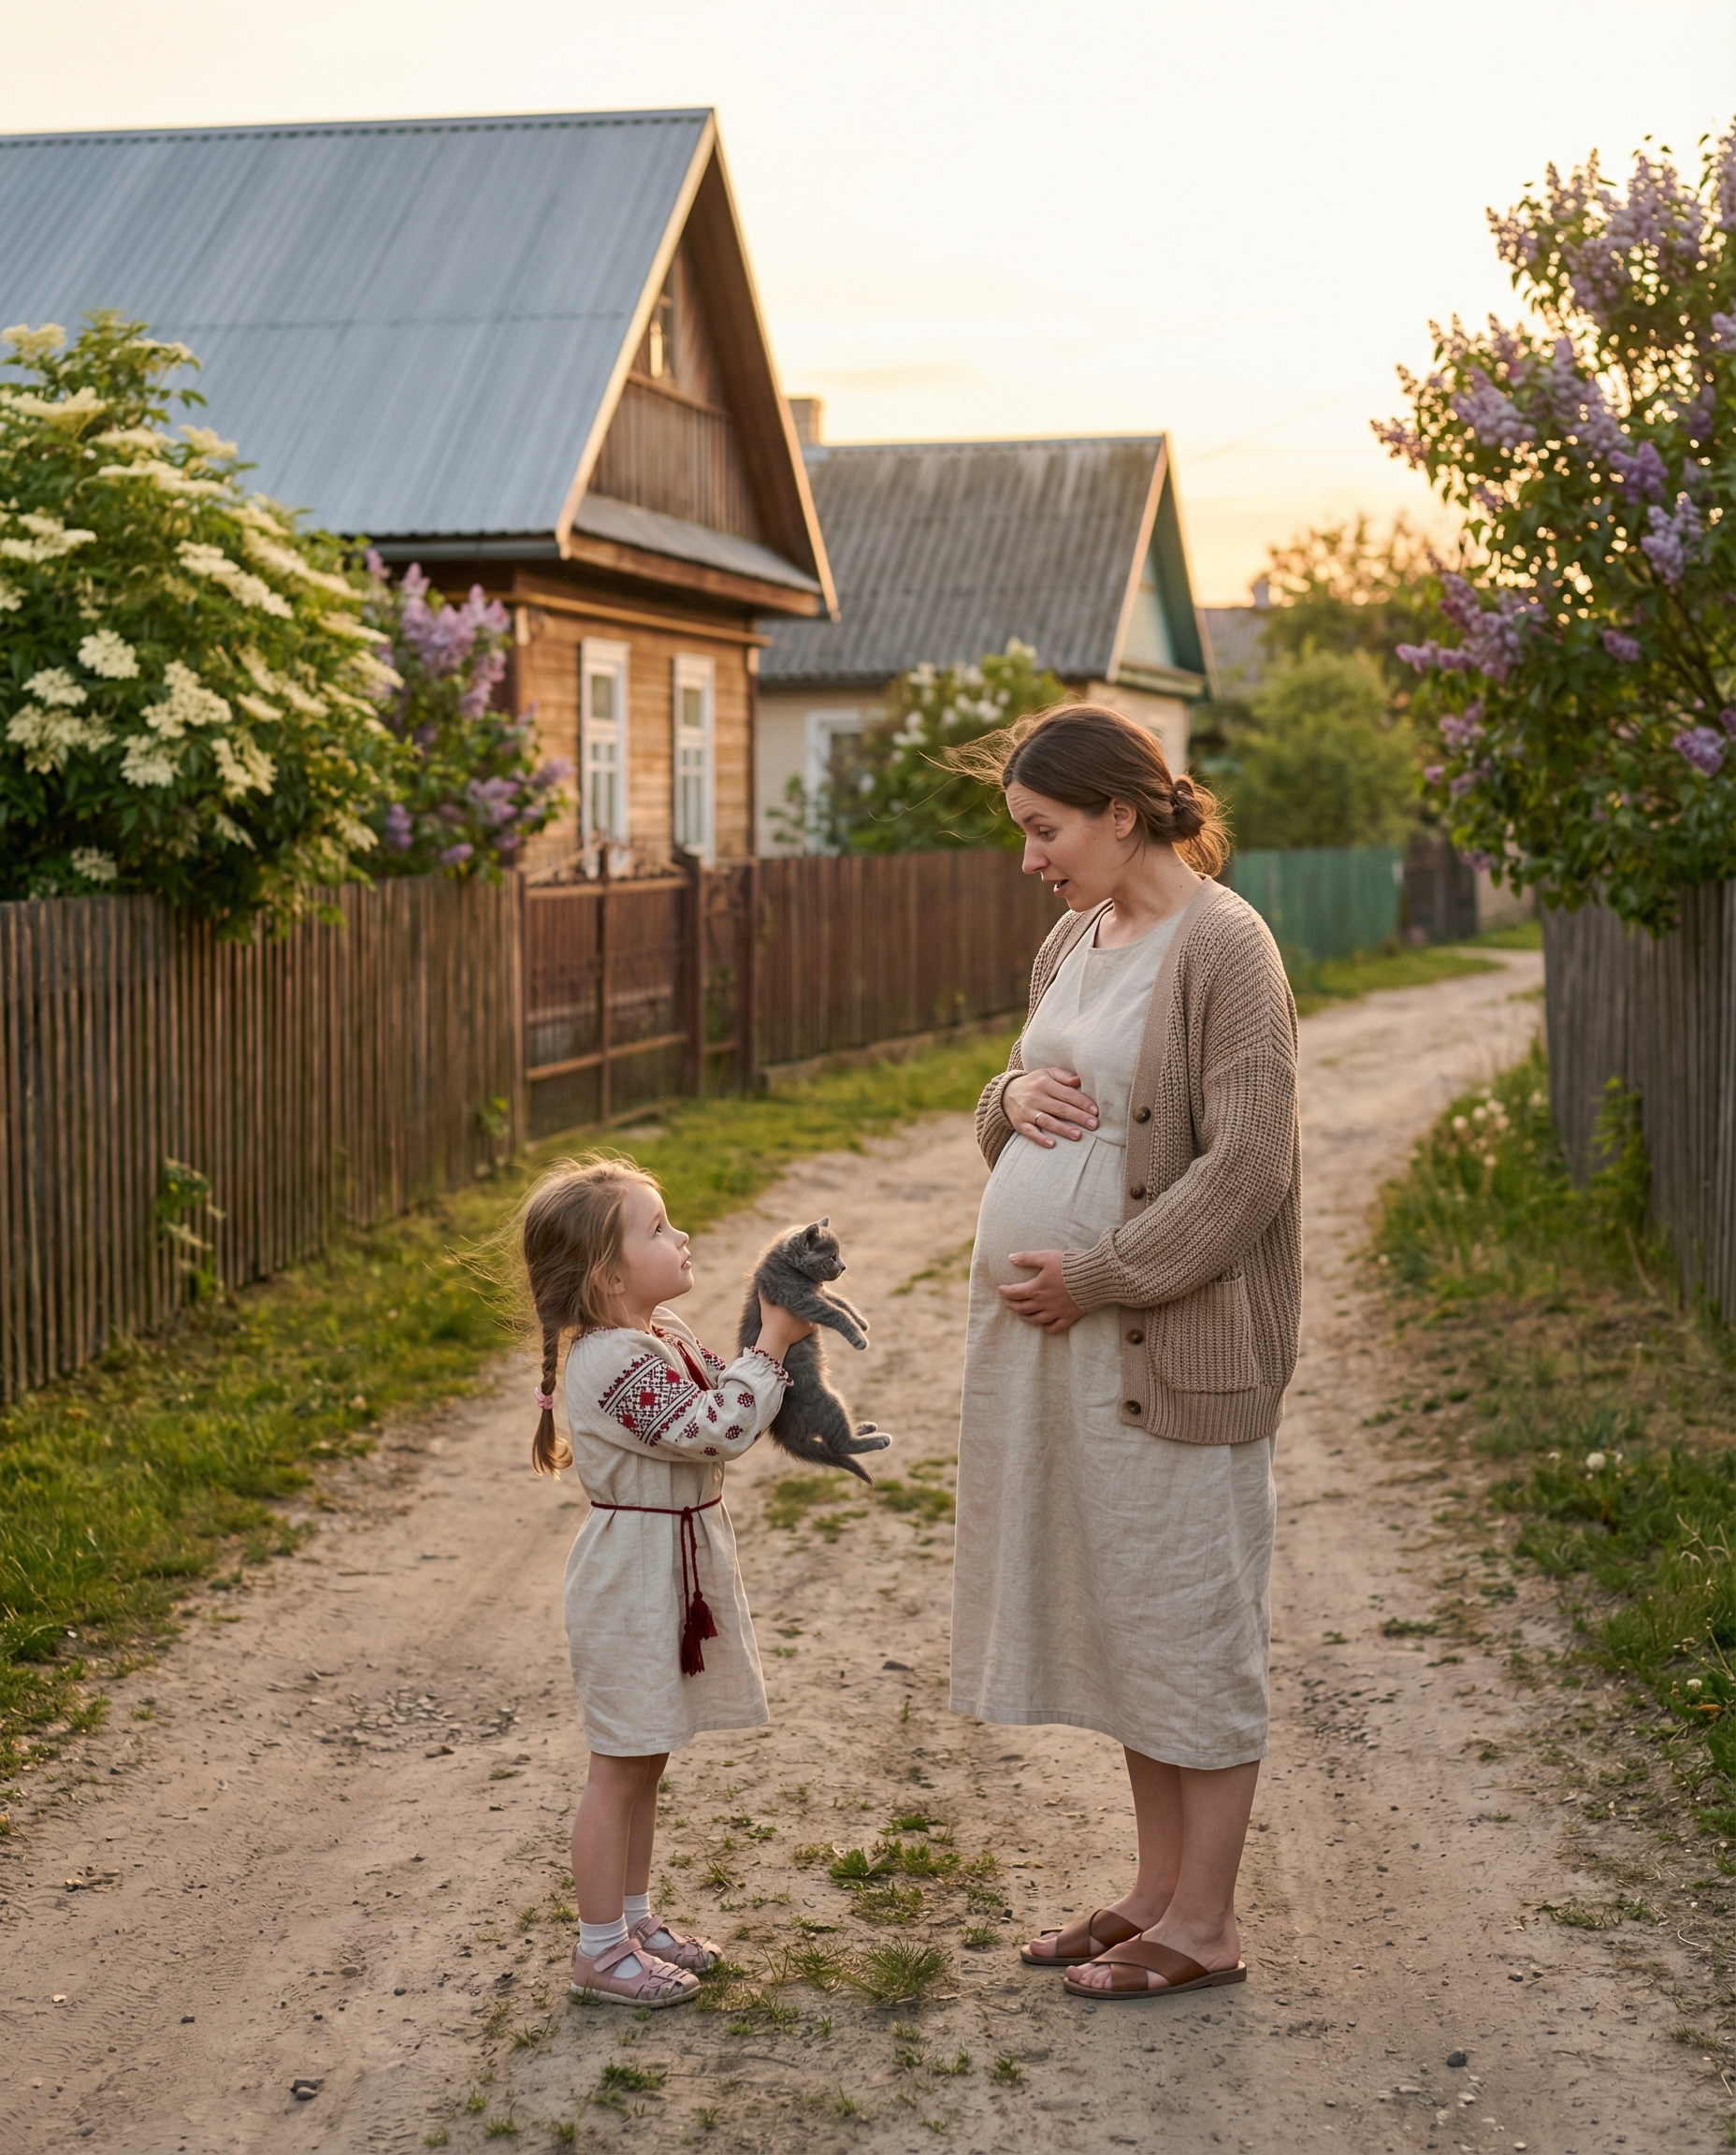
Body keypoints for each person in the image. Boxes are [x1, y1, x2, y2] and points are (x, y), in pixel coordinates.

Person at [948, 704, 1301, 2003]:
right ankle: (1157, 1892)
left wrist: (1098, 1276)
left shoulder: (1228, 947)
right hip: (1070, 1358)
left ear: (1119, 811)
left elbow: (1251, 1165)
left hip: (1167, 1342)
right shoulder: (1072, 937)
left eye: (1045, 831)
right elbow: (1029, 1092)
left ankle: (1206, 1921)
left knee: (1193, 1618)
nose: (1032, 859)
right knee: (1129, 1612)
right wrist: (1006, 1103)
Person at [516, 1157, 813, 2007]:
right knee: (618, 1767)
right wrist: (773, 1344)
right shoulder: (611, 1361)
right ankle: (598, 1950)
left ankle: (634, 1921)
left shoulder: (662, 1334)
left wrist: (764, 1339)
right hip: (630, 1585)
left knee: (647, 1760)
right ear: (608, 1274)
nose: (680, 1236)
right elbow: (717, 1428)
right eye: (657, 1228)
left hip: (664, 1572)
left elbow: (728, 1395)